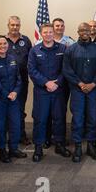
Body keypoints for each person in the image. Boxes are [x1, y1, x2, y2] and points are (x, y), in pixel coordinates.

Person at [63, 22, 96, 163]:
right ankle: (78, 147)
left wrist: (93, 84)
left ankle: (92, 147)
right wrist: (80, 84)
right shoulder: (71, 50)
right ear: (78, 31)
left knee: (93, 118)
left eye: (87, 29)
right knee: (78, 118)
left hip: (93, 90)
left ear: (91, 30)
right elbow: (67, 70)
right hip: (77, 90)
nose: (85, 32)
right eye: (82, 30)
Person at [28, 23, 71, 162]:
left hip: (58, 90)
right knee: (40, 119)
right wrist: (46, 83)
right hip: (42, 91)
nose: (48, 34)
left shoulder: (62, 48)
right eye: (45, 32)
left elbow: (66, 69)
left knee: (59, 118)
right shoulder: (35, 50)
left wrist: (56, 83)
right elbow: (32, 70)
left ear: (54, 33)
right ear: (41, 33)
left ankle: (59, 144)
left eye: (50, 32)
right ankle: (38, 147)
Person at [0, 35, 27, 163]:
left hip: (13, 98)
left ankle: (13, 149)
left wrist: (15, 92)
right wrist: (6, 94)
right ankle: (2, 150)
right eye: (0, 44)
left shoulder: (12, 59)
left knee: (15, 124)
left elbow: (19, 79)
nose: (3, 46)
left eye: (4, 44)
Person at [5, 15, 32, 145]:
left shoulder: (26, 40)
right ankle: (11, 136)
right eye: (12, 25)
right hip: (7, 82)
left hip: (22, 81)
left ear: (20, 26)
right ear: (8, 26)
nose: (15, 27)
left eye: (17, 25)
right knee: (9, 108)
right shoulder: (2, 40)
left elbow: (32, 61)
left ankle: (21, 135)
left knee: (20, 108)